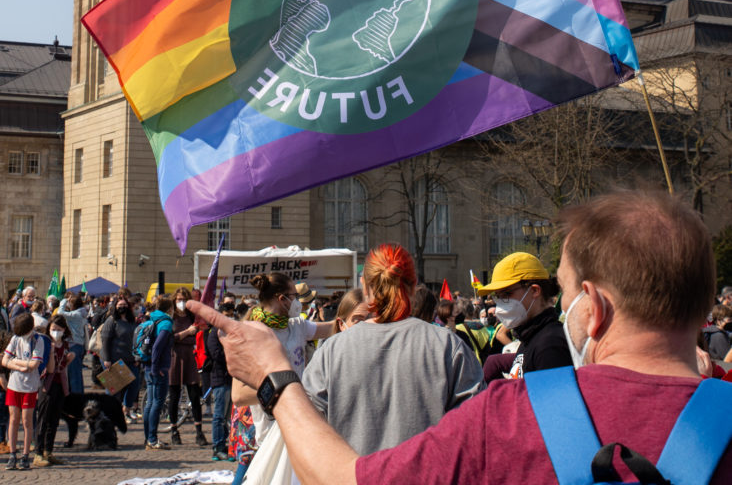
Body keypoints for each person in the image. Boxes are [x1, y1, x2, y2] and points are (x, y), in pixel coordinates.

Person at [189, 190, 732, 485]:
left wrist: (274, 375)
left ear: (595, 307)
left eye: (563, 291)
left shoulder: (515, 419)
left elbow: (347, 478)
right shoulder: (450, 350)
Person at [301, 244, 484, 455]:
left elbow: (307, 431)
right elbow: (476, 429)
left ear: (364, 286)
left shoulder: (331, 351)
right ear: (413, 285)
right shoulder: (447, 346)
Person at [232, 272, 335, 450]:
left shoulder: (297, 326)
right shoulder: (251, 332)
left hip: (299, 422)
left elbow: (333, 328)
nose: (299, 302)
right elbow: (239, 395)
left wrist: (359, 320)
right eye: (295, 296)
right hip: (270, 430)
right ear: (282, 299)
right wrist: (286, 389)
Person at [478, 251, 571, 380]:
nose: (501, 304)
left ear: (534, 291)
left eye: (507, 294)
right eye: (498, 297)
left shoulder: (550, 344)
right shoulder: (530, 337)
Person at [2, 311, 45, 471]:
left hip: (30, 386)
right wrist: (22, 364)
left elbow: (34, 365)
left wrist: (16, 362)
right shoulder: (15, 338)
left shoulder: (37, 340)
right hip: (14, 385)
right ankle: (13, 454)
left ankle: (26, 455)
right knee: (13, 420)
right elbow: (5, 361)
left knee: (27, 421)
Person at [33, 313, 74, 467]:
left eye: (59, 329)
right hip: (46, 384)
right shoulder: (44, 342)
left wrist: (69, 358)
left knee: (54, 419)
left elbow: (63, 365)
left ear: (64, 330)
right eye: (53, 328)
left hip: (60, 384)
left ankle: (48, 451)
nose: (56, 331)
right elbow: (48, 368)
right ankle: (38, 452)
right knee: (43, 418)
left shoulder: (64, 344)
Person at [168, 287, 207, 447]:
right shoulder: (171, 317)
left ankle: (199, 431)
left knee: (194, 395)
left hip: (189, 356)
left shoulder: (192, 316)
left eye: (184, 299)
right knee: (174, 395)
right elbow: (169, 338)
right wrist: (186, 333)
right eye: (179, 299)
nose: (181, 302)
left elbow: (201, 328)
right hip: (175, 356)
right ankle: (174, 430)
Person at [142, 294, 175, 450]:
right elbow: (157, 347)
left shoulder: (151, 318)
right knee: (157, 403)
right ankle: (152, 439)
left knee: (149, 403)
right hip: (158, 368)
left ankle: (148, 437)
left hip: (148, 366)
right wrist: (157, 369)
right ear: (170, 309)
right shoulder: (166, 323)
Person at [100, 291, 139, 421]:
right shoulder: (112, 321)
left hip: (130, 358)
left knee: (135, 384)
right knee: (114, 388)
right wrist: (107, 359)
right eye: (119, 305)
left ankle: (126, 409)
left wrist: (136, 357)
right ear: (115, 307)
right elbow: (105, 340)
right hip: (115, 358)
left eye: (124, 304)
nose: (122, 307)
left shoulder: (131, 321)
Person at [206, 297, 235, 460]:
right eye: (226, 315)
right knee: (219, 415)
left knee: (227, 416)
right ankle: (217, 446)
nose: (229, 318)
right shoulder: (214, 333)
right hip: (220, 378)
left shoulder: (232, 332)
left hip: (231, 378)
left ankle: (226, 444)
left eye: (231, 315)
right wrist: (232, 354)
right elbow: (216, 354)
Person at [58, 293, 87, 394]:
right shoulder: (82, 313)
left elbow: (60, 312)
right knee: (76, 373)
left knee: (73, 374)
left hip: (74, 344)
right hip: (79, 344)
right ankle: (78, 394)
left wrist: (64, 301)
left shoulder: (76, 314)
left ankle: (76, 397)